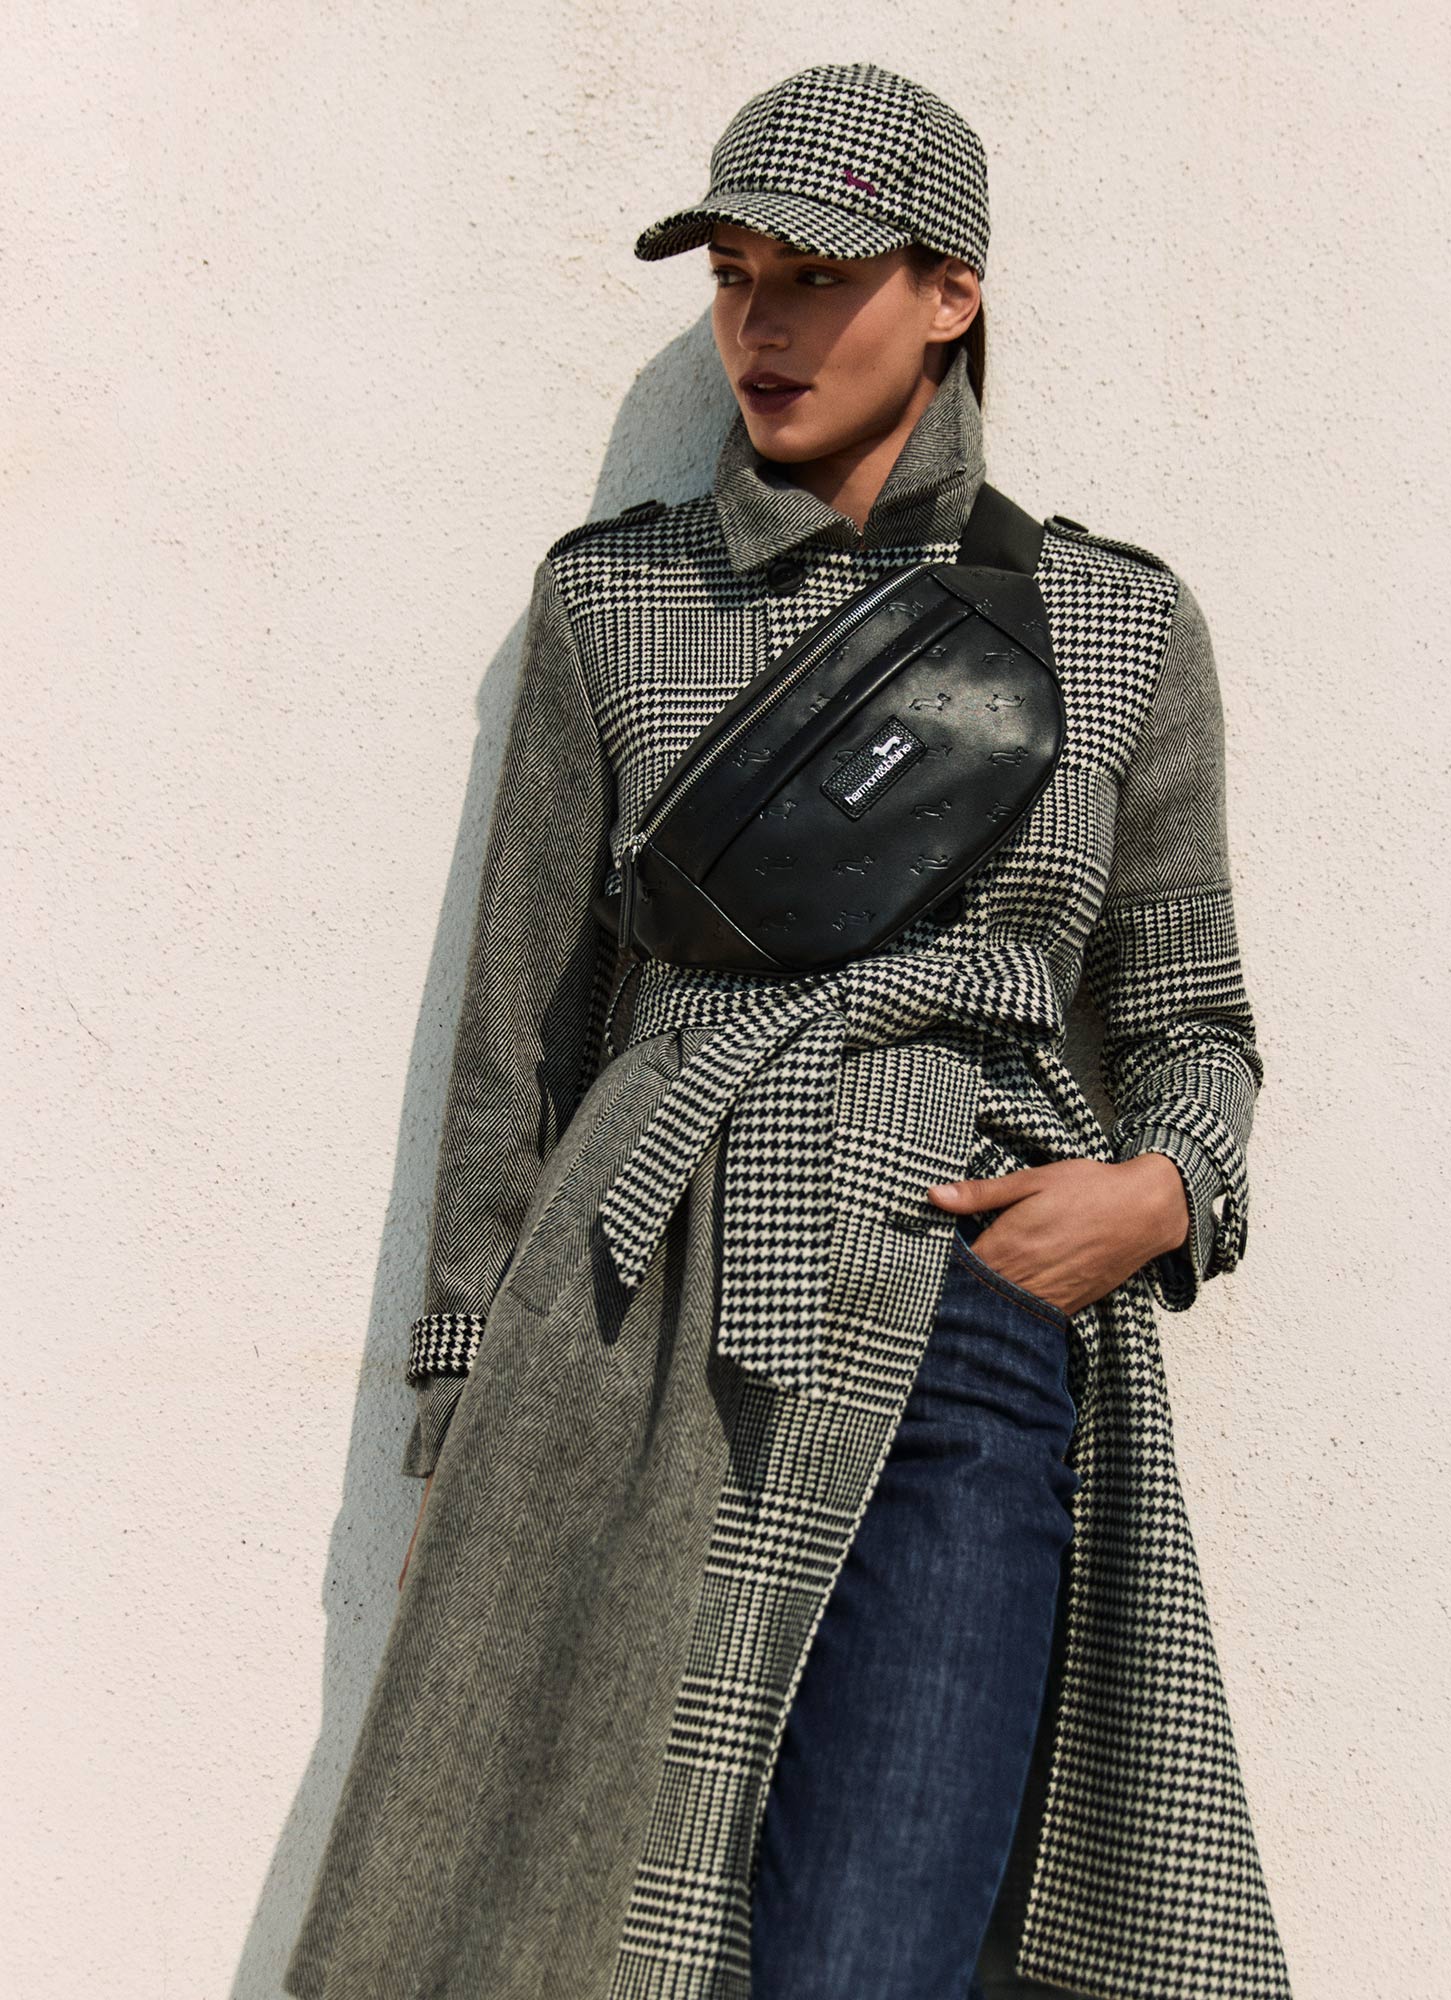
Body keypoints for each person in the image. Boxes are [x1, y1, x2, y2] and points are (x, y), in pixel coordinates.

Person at [285, 60, 1293, 2000]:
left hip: (965, 1321)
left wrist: (1158, 1197)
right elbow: (522, 1053)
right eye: (734, 275)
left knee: (866, 1951)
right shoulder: (612, 604)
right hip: (638, 1320)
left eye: (818, 276)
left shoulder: (1115, 624)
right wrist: (460, 1412)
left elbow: (1191, 1017)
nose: (762, 324)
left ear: (951, 291)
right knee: (574, 1933)